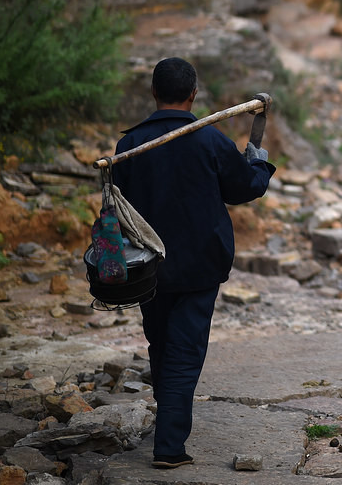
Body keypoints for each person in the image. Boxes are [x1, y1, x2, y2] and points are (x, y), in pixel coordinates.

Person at [111, 58, 275, 469]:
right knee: (184, 351)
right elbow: (244, 188)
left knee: (161, 343)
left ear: (153, 92)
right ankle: (168, 447)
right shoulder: (209, 140)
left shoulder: (129, 145)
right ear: (194, 94)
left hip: (147, 267)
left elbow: (120, 206)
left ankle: (168, 420)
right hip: (200, 266)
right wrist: (257, 160)